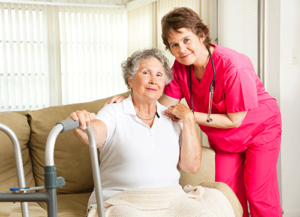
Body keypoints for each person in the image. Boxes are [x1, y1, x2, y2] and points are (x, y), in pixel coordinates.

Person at [106, 7, 282, 217]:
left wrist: (188, 115)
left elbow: (235, 120)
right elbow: (161, 106)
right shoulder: (181, 68)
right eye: (174, 45)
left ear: (202, 35)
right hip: (225, 139)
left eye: (186, 40)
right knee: (226, 196)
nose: (182, 49)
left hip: (260, 131)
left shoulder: (234, 66)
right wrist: (129, 100)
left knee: (258, 194)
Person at [69, 48, 224, 216]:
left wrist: (188, 118)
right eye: (146, 73)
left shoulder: (174, 117)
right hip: (122, 200)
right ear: (130, 80)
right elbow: (93, 136)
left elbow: (191, 166)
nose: (153, 80)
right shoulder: (113, 111)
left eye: (159, 75)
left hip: (171, 199)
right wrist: (82, 123)